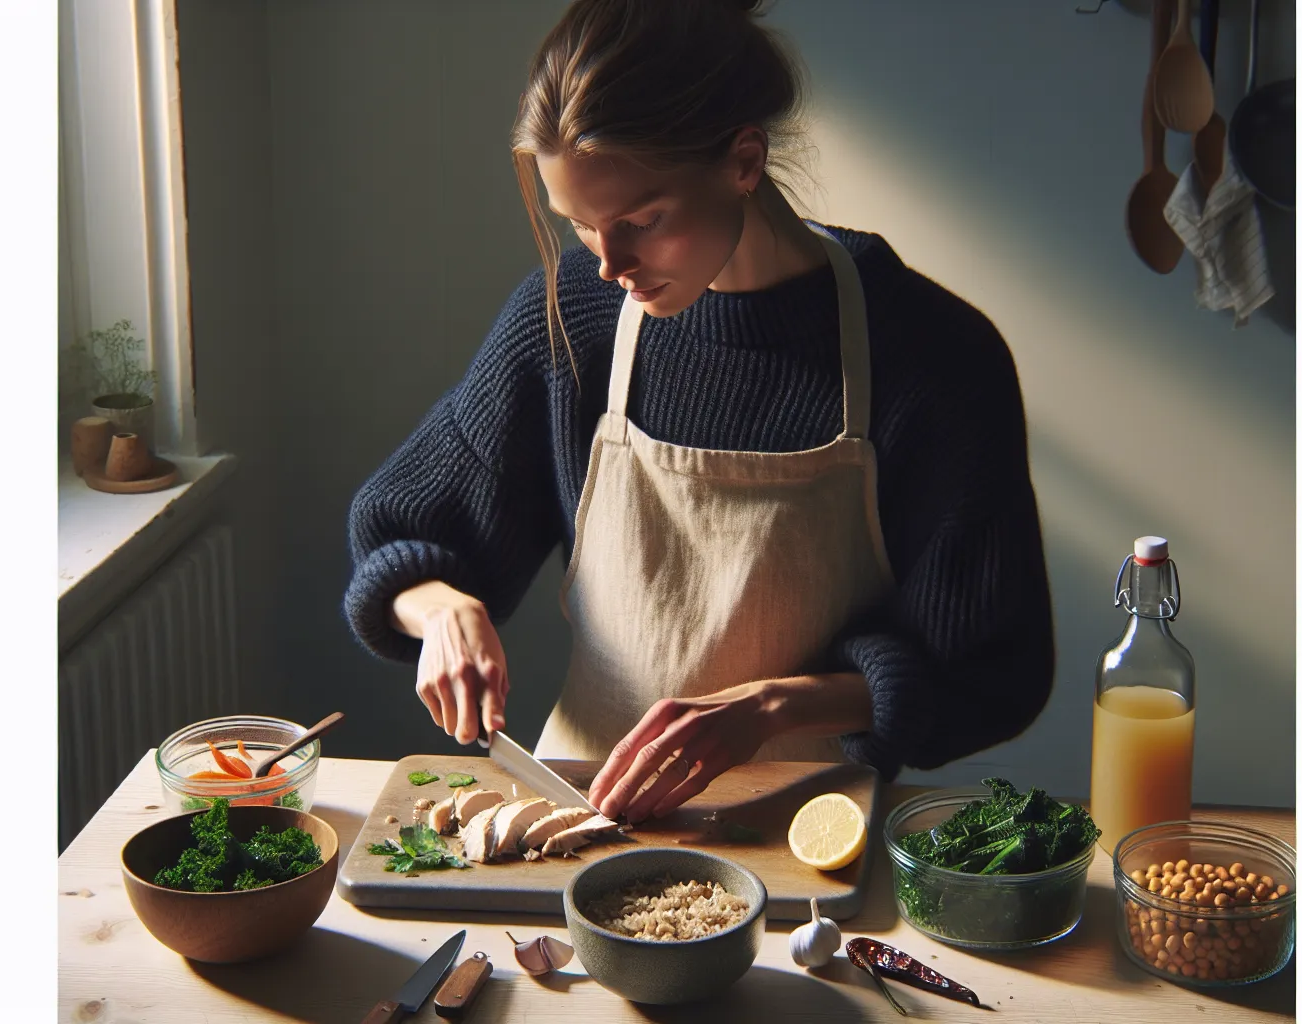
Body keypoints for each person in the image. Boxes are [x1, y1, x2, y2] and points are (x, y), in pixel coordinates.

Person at [344, 0, 1054, 824]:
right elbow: (395, 538)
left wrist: (768, 711)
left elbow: (990, 673)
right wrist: (443, 610)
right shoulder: (573, 317)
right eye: (579, 226)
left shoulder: (934, 357)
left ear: (743, 161)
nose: (610, 265)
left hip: (808, 833)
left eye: (642, 222)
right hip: (581, 822)